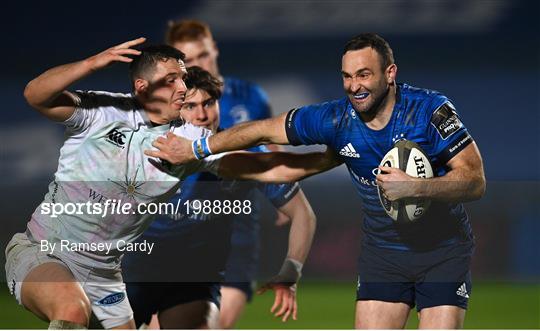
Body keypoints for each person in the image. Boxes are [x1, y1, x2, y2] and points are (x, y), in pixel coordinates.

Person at [146, 33, 487, 329]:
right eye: (347, 76)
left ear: (390, 73)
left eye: (364, 74)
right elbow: (263, 130)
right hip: (383, 255)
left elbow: (474, 181)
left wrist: (417, 188)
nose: (354, 85)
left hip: (442, 251)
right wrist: (198, 147)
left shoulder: (429, 110)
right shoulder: (334, 119)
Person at [5, 39, 329, 329]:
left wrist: (336, 156)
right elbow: (35, 94)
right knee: (70, 309)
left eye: (183, 78)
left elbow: (268, 168)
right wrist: (90, 63)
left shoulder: (189, 142)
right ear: (142, 86)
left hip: (106, 274)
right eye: (171, 79)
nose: (182, 87)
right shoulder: (101, 111)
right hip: (45, 251)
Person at [123, 66, 316, 329]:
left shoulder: (242, 152)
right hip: (133, 273)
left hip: (195, 282)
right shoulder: (146, 148)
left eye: (208, 103)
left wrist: (290, 272)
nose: (201, 115)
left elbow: (303, 213)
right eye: (189, 106)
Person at [163, 19, 290, 328]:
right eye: (187, 60)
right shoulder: (166, 102)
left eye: (203, 55)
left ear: (214, 49)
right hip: (177, 233)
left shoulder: (250, 97)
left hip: (235, 233)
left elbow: (270, 146)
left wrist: (284, 190)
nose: (197, 64)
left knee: (214, 324)